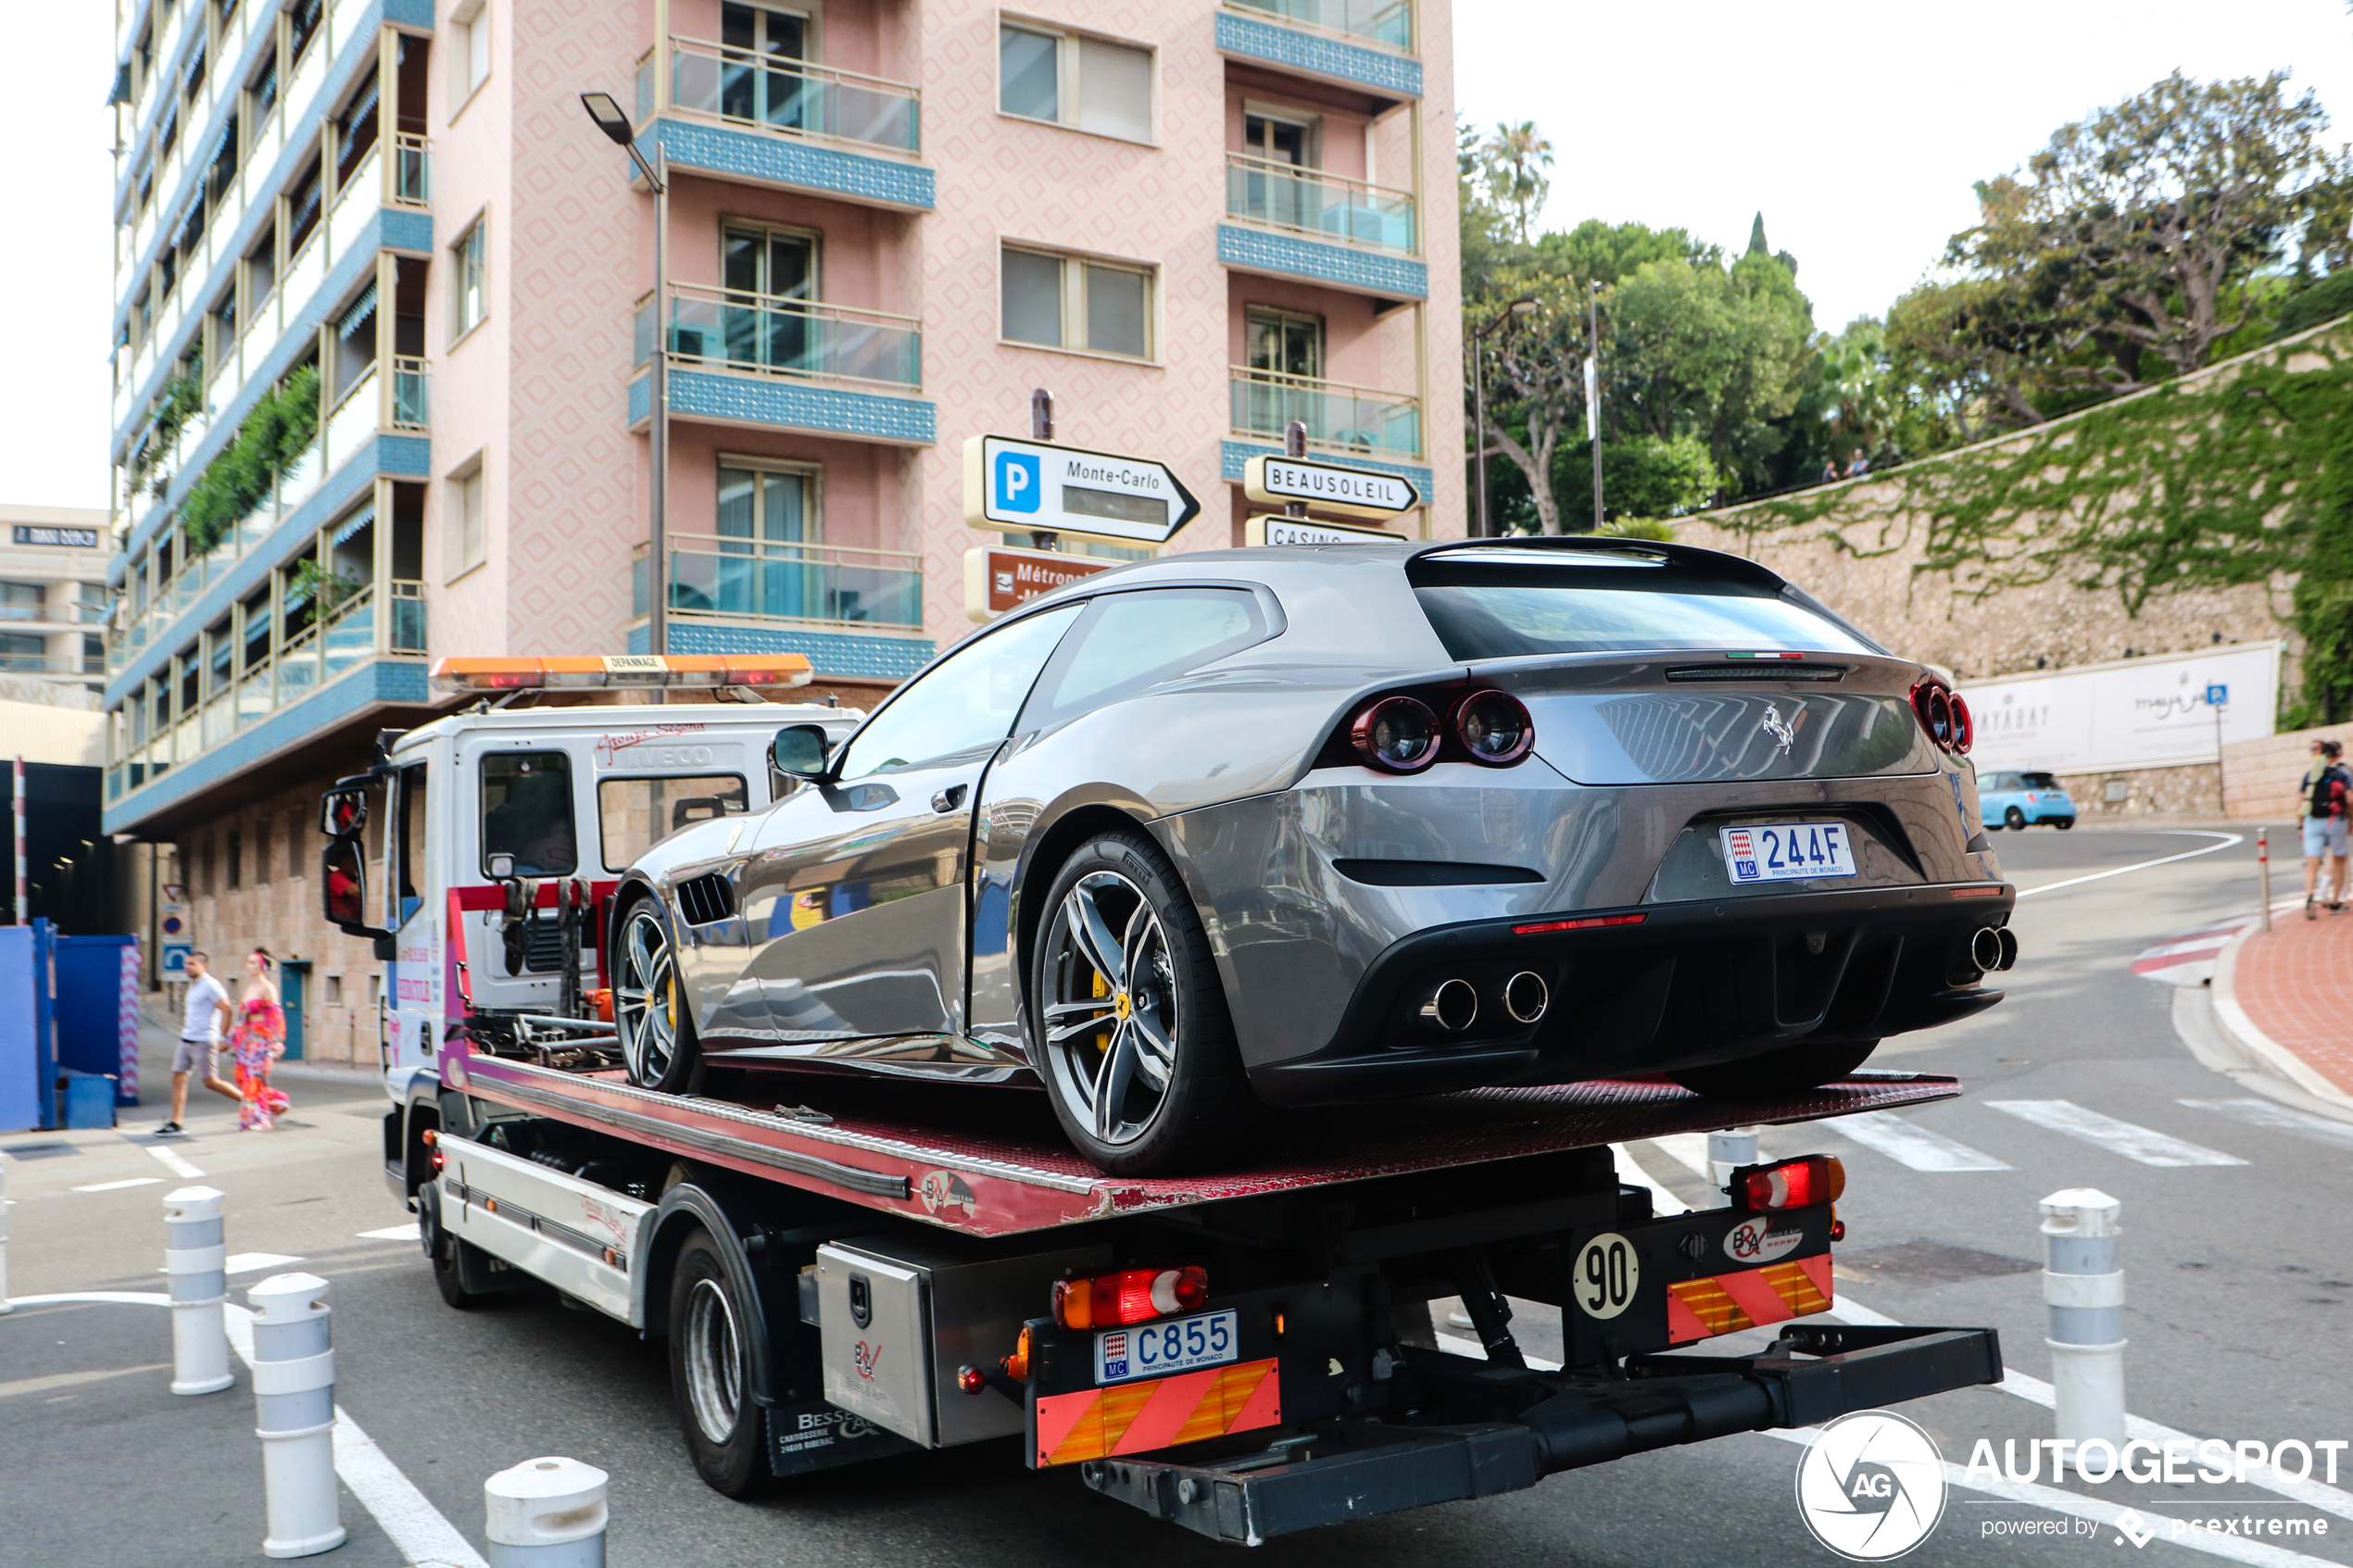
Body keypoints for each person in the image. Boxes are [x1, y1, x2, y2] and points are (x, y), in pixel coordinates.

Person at [159, 951, 235, 1136]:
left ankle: (252, 1103)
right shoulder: (194, 985)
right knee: (178, 1076)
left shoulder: (210, 985)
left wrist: (224, 1038)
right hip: (186, 1039)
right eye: (186, 964)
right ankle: (176, 1123)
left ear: (204, 966)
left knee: (210, 1082)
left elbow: (227, 1009)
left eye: (192, 964)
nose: (187, 967)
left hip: (203, 1041)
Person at [227, 947, 290, 1132]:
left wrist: (277, 1041)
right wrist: (230, 1037)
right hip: (248, 1042)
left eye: (253, 962)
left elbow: (276, 1015)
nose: (248, 965)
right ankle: (278, 1100)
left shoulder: (267, 987)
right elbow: (242, 1018)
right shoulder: (250, 988)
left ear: (264, 966)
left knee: (256, 1078)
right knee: (244, 1079)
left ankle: (262, 1117)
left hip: (262, 1041)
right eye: (248, 961)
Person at [2299, 738, 2351, 919]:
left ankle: (2309, 896)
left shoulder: (2310, 774)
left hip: (2312, 821)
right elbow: (2350, 800)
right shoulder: (2343, 774)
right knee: (2338, 860)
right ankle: (2336, 902)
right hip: (2336, 820)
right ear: (2337, 755)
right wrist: (2350, 820)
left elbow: (2301, 801)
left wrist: (2300, 824)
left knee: (2312, 863)